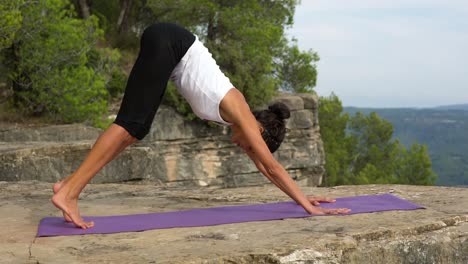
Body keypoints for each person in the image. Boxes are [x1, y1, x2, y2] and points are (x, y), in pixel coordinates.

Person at [51, 23, 350, 229]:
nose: (240, 146)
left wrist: (300, 197)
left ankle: (68, 185)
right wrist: (311, 209)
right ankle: (70, 193)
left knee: (135, 131)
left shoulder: (243, 120)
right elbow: (271, 166)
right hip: (170, 43)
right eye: (248, 145)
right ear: (258, 131)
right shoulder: (243, 113)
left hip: (168, 48)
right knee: (131, 124)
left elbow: (263, 165)